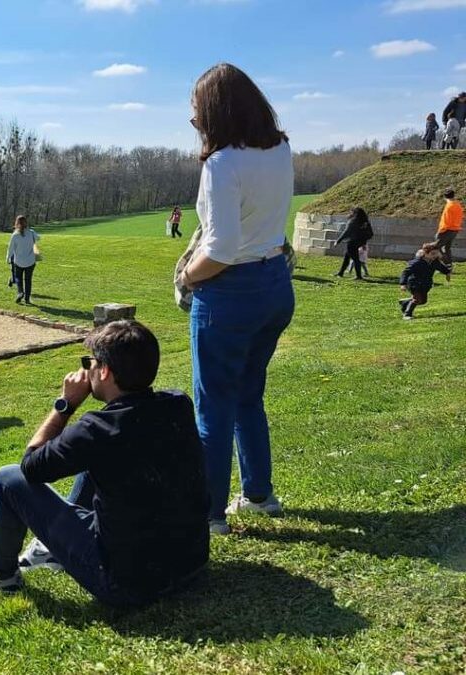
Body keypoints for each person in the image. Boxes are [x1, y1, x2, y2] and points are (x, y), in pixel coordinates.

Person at [0, 320, 209, 605]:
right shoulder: (177, 403)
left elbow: (30, 466)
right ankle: (50, 551)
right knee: (102, 460)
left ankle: (1, 576)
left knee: (8, 477)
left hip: (126, 583)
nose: (86, 370)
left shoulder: (96, 430)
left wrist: (65, 405)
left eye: (90, 363)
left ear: (105, 371)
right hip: (190, 564)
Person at [179, 63, 295, 535]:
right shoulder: (280, 148)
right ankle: (258, 494)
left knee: (213, 406)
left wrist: (188, 274)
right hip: (274, 286)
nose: (192, 120)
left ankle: (208, 516)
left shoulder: (221, 163)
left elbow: (221, 250)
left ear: (216, 110)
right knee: (249, 395)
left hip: (231, 293)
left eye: (196, 110)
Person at [399, 244, 451, 319]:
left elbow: (441, 267)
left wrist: (447, 272)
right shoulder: (417, 262)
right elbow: (406, 272)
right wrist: (403, 284)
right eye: (433, 254)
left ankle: (405, 302)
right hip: (414, 283)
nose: (435, 256)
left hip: (425, 284)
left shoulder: (434, 262)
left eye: (436, 253)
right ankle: (407, 314)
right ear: (425, 253)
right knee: (417, 299)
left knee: (423, 301)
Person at [6, 215, 40, 305]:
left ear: (16, 223)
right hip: (30, 261)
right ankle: (27, 298)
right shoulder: (31, 233)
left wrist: (8, 258)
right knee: (28, 280)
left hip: (19, 261)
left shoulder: (15, 235)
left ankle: (20, 292)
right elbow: (38, 238)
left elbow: (10, 248)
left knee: (18, 278)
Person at [332, 207, 373, 279]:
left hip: (352, 242)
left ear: (354, 214)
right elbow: (369, 234)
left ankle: (358, 276)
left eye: (351, 212)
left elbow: (346, 232)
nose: (350, 214)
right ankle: (340, 273)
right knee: (347, 257)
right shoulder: (365, 222)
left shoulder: (353, 221)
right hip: (359, 242)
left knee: (356, 259)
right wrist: (363, 242)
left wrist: (338, 240)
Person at [434, 188, 462, 269]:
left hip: (446, 230)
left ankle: (445, 263)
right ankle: (448, 265)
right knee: (447, 248)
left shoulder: (449, 206)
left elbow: (446, 221)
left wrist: (440, 231)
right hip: (455, 229)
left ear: (444, 197)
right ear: (453, 195)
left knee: (436, 247)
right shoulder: (458, 205)